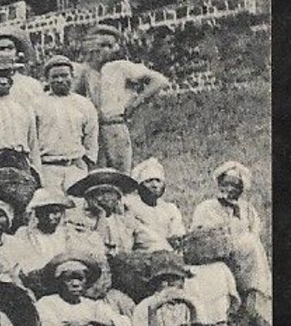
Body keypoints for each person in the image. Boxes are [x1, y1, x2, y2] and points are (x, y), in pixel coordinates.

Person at [77, 24, 170, 173]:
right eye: (101, 45)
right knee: (95, 173)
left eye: (110, 46)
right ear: (91, 47)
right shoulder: (85, 71)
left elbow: (159, 81)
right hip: (91, 130)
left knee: (121, 172)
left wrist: (135, 103)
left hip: (115, 126)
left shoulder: (120, 67)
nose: (106, 50)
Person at [189, 160, 272, 323]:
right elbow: (200, 236)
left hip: (245, 259)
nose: (230, 190)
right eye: (226, 184)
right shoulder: (207, 207)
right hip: (216, 255)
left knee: (253, 246)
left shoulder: (248, 209)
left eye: (236, 186)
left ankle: (254, 305)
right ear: (219, 184)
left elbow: (255, 233)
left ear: (242, 189)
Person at [33, 54, 100, 191]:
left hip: (75, 168)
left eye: (64, 75)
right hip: (47, 168)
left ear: (72, 76)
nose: (60, 80)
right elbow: (31, 139)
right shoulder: (37, 104)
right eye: (55, 77)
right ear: (47, 79)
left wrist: (85, 163)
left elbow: (91, 139)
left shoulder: (84, 104)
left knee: (76, 208)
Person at [68, 168, 167, 255]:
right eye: (100, 193)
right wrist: (101, 216)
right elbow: (93, 250)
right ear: (89, 198)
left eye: (110, 193)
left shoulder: (125, 220)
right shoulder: (80, 222)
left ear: (118, 197)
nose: (106, 198)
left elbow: (152, 241)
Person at [127, 158, 187, 244]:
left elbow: (178, 233)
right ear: (139, 186)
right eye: (148, 181)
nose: (154, 185)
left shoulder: (170, 210)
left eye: (158, 181)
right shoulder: (132, 207)